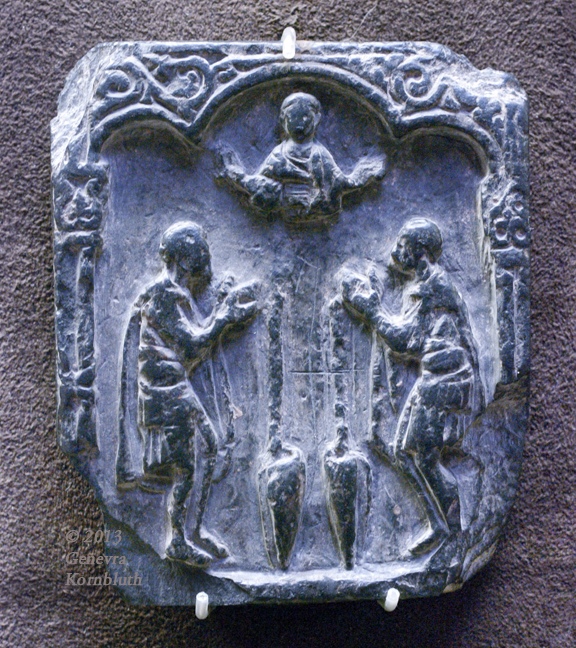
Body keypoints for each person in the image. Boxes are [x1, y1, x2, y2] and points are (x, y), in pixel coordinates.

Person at [116, 221, 259, 566]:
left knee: (209, 447)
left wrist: (225, 313)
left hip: (176, 388)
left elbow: (196, 341)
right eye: (201, 251)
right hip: (164, 394)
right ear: (184, 257)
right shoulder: (163, 295)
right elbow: (192, 346)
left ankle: (194, 530)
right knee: (185, 468)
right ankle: (177, 540)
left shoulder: (176, 295)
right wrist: (226, 318)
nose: (207, 258)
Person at [341, 218, 484, 555]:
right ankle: (439, 526)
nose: (394, 252)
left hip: (446, 378)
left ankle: (455, 538)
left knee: (425, 458)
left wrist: (372, 312)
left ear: (419, 252)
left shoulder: (433, 286)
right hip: (436, 376)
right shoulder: (424, 285)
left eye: (402, 245)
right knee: (404, 454)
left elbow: (408, 341)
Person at [217, 92, 386, 223]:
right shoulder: (278, 153)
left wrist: (363, 176)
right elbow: (262, 185)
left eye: (305, 117)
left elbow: (337, 183)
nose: (299, 123)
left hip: (315, 210)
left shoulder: (319, 154)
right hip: (285, 210)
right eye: (293, 117)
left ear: (316, 119)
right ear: (283, 120)